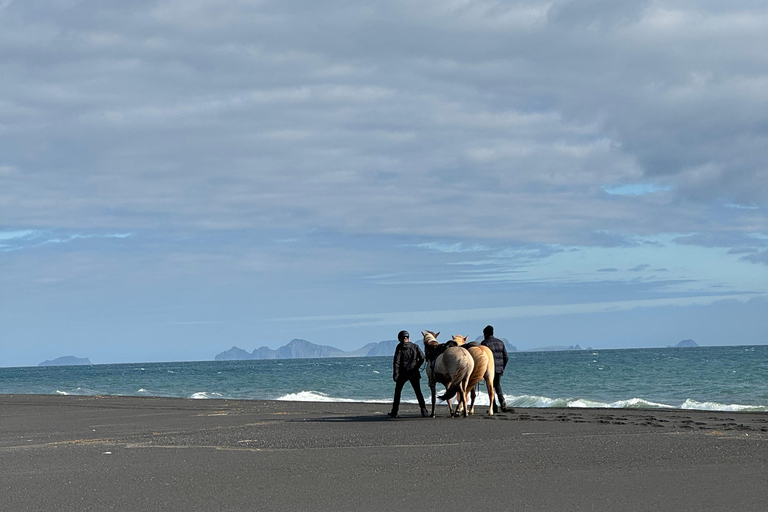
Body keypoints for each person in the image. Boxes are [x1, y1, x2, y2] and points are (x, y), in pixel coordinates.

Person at [389, 330, 429, 418]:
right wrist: (416, 367)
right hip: (414, 372)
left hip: (403, 373)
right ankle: (423, 410)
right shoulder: (415, 346)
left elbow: (396, 362)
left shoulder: (399, 347)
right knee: (418, 392)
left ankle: (394, 412)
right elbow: (422, 358)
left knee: (397, 392)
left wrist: (395, 374)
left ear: (399, 338)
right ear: (408, 337)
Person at [481, 325, 510, 413]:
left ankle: (494, 406)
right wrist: (502, 367)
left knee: (490, 387)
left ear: (485, 334)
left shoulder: (484, 343)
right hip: (499, 369)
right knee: (497, 385)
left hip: (489, 369)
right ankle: (502, 402)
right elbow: (506, 357)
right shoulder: (500, 342)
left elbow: (482, 359)